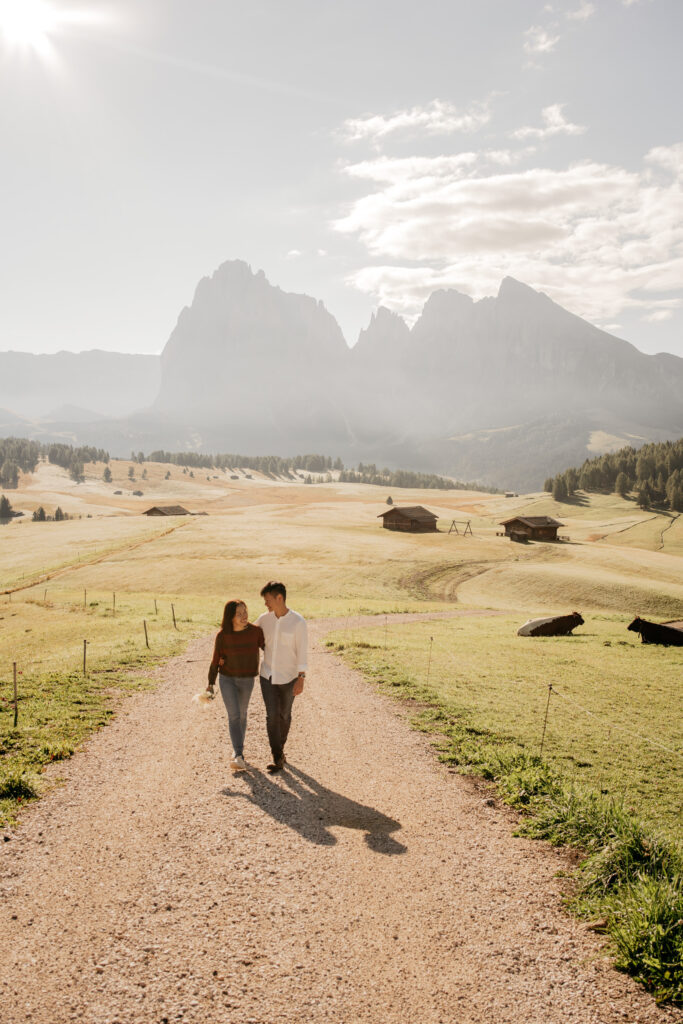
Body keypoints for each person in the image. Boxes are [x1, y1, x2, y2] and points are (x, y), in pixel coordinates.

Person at [207, 599, 264, 772]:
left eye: (245, 611)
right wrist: (210, 683)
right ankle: (238, 755)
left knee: (243, 715)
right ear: (230, 617)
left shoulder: (255, 632)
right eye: (239, 614)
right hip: (227, 679)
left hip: (247, 679)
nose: (243, 616)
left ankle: (238, 751)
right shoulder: (223, 636)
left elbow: (269, 650)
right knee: (234, 715)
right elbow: (216, 660)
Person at [256, 581, 307, 773]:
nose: (266, 604)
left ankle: (280, 749)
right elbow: (250, 636)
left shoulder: (298, 622)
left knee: (284, 715)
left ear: (279, 598)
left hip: (289, 678)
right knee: (271, 717)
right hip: (267, 675)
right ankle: (277, 756)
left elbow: (302, 652)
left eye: (268, 600)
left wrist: (301, 677)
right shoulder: (263, 619)